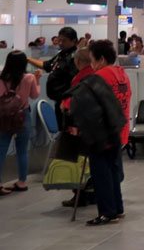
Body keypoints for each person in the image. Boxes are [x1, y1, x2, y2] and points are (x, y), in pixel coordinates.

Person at [82, 40, 131, 225]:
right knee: (113, 172)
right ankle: (117, 209)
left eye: (92, 59)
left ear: (101, 59)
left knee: (101, 173)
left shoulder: (100, 77)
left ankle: (107, 212)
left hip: (103, 133)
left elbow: (89, 102)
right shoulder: (122, 74)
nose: (91, 64)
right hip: (119, 130)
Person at [59, 48, 97, 208]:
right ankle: (93, 194)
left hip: (80, 126)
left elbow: (75, 101)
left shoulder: (80, 78)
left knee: (78, 163)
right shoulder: (96, 75)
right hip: (95, 126)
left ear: (78, 61)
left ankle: (79, 196)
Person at [0, 50, 41, 196]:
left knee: (1, 150)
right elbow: (34, 95)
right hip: (23, 116)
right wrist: (38, 81)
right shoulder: (29, 77)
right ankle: (22, 182)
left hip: (4, 117)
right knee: (22, 151)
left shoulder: (1, 78)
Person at [26, 26, 78, 130]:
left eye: (64, 41)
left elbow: (75, 82)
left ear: (73, 41)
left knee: (68, 131)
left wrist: (68, 101)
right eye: (59, 40)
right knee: (61, 129)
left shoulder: (75, 58)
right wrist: (27, 59)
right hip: (59, 101)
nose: (60, 43)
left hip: (67, 103)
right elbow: (46, 65)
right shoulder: (61, 54)